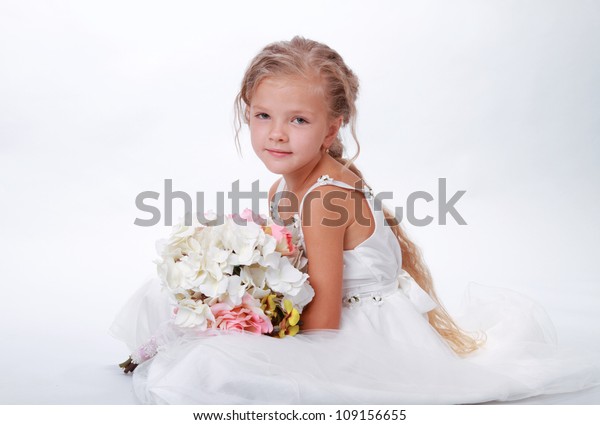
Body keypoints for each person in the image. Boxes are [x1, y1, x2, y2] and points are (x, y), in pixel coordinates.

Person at [110, 36, 600, 404]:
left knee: (213, 365)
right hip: (327, 315)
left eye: (298, 120)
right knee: (169, 296)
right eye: (263, 116)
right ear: (247, 114)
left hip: (357, 335)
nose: (276, 134)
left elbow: (323, 323)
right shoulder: (284, 187)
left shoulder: (325, 201)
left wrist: (251, 327)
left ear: (332, 127)